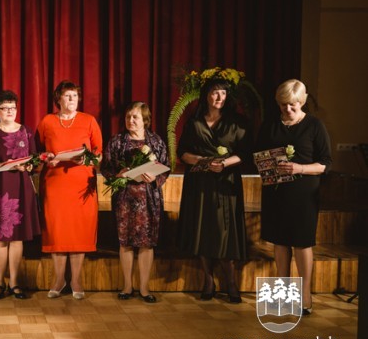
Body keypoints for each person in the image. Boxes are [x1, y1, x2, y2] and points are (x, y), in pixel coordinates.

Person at [256, 79, 331, 315]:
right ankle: (284, 294)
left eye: (292, 105)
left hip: (303, 193)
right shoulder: (270, 125)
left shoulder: (314, 125)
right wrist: (267, 164)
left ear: (302, 101)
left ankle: (305, 295)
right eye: (283, 105)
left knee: (301, 242)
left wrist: (300, 168)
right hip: (276, 192)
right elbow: (258, 155)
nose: (287, 109)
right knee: (280, 241)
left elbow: (325, 163)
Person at [177, 75, 250, 303]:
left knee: (225, 232)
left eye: (223, 93)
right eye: (215, 92)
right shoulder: (194, 122)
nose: (219, 97)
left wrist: (224, 164)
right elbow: (182, 152)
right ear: (206, 95)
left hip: (226, 184)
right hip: (199, 184)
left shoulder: (237, 122)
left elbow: (245, 153)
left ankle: (231, 282)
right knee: (202, 230)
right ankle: (208, 281)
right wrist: (202, 161)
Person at [36, 80, 103, 300]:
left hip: (81, 184)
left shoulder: (89, 120)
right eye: (67, 95)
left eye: (75, 95)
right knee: (57, 231)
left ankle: (75, 280)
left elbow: (98, 154)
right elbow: (37, 152)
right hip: (55, 184)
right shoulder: (47, 121)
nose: (72, 99)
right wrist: (46, 158)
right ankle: (59, 279)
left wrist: (88, 159)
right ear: (59, 99)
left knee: (78, 231)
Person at [0, 90, 41, 300]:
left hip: (21, 188)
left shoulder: (26, 131)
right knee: (0, 239)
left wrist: (27, 166)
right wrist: (1, 165)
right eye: (5, 109)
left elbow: (34, 162)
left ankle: (14, 282)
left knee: (18, 238)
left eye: (13, 108)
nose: (10, 112)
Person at [101, 101, 168, 303]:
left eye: (135, 117)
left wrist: (155, 177)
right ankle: (127, 286)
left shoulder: (156, 141)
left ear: (145, 120)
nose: (131, 120)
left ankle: (145, 288)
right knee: (126, 243)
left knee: (147, 244)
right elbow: (106, 167)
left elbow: (166, 166)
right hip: (125, 199)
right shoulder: (117, 141)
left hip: (148, 199)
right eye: (128, 117)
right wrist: (118, 174)